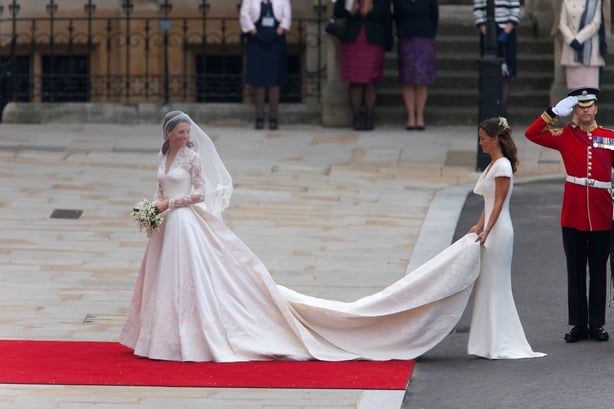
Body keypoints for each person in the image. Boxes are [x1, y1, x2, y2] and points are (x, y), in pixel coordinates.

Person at [119, 110, 485, 362]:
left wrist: (171, 205)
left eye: (187, 132)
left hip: (186, 223)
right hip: (167, 225)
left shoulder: (193, 159)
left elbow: (201, 194)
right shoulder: (164, 157)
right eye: (180, 133)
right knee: (161, 280)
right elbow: (159, 188)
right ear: (169, 134)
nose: (185, 137)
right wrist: (153, 208)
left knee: (188, 279)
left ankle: (191, 333)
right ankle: (158, 335)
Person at [525, 87, 613, 343]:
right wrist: (552, 113)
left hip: (600, 213)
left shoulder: (609, 137)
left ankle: (596, 324)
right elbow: (531, 134)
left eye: (589, 106)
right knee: (575, 270)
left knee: (598, 271)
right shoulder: (565, 136)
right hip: (573, 215)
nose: (585, 111)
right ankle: (578, 324)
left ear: (596, 108)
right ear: (574, 110)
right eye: (580, 107)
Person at [466, 117, 546, 359]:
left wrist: (488, 230)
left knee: (497, 284)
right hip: (491, 227)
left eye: (482, 139)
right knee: (486, 284)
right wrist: (478, 225)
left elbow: (499, 203)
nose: (480, 143)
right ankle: (486, 342)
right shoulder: (493, 165)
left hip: (500, 231)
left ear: (494, 139)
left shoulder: (502, 167)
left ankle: (499, 342)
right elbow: (488, 202)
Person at [334, 0, 393, 131]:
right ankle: (357, 118)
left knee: (370, 81)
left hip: (373, 42)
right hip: (353, 42)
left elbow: (387, 20)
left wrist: (388, 41)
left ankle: (369, 116)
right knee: (355, 81)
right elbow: (337, 12)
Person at [240, 0, 292, 130]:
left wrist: (279, 31)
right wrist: (253, 31)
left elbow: (287, 16)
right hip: (256, 40)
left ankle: (274, 117)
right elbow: (244, 14)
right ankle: (259, 117)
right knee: (259, 79)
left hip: (276, 40)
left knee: (274, 79)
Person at [392, 0, 438, 131]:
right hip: (406, 40)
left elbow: (434, 17)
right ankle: (411, 116)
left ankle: (420, 116)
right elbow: (397, 17)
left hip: (425, 40)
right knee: (407, 80)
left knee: (422, 80)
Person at [473, 0, 520, 115]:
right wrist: (487, 33)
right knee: (488, 71)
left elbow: (515, 9)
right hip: (488, 33)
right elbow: (478, 11)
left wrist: (506, 31)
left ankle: (502, 112)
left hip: (506, 33)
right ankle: (489, 111)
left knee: (506, 74)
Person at [559, 0, 605, 90]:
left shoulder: (595, 2)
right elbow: (562, 24)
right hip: (571, 49)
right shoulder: (566, 2)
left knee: (590, 93)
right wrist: (571, 40)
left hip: (590, 53)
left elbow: (596, 23)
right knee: (574, 93)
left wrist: (579, 39)